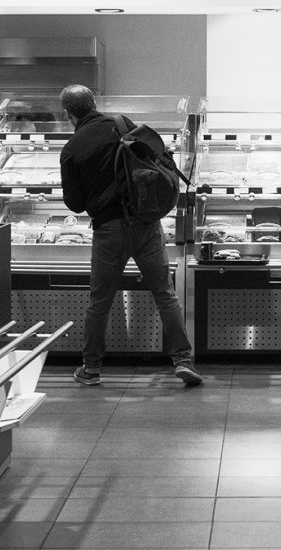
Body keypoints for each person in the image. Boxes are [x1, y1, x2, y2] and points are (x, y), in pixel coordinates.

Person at [59, 84, 202, 386]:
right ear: (94, 103)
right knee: (165, 294)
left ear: (68, 114)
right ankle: (182, 360)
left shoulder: (72, 149)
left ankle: (91, 368)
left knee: (100, 301)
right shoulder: (121, 123)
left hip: (109, 231)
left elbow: (75, 204)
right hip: (146, 222)